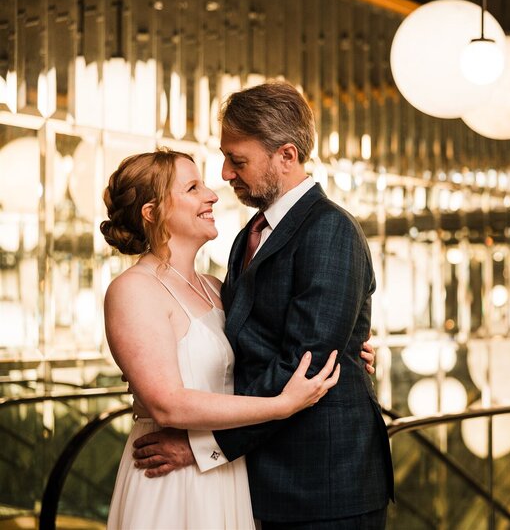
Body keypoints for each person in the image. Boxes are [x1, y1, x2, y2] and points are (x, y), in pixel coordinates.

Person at [131, 80, 394, 528]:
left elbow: (305, 365)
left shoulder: (330, 230)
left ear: (286, 156)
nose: (227, 174)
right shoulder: (246, 237)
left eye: (238, 160)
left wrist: (202, 445)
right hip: (259, 477)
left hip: (323, 484)